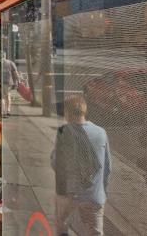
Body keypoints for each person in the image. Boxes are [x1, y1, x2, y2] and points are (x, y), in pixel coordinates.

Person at [51, 95, 111, 236]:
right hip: (94, 194)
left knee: (62, 226)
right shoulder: (101, 133)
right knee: (95, 232)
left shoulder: (63, 132)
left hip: (69, 193)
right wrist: (102, 191)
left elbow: (55, 163)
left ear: (67, 112)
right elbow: (107, 167)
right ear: (84, 111)